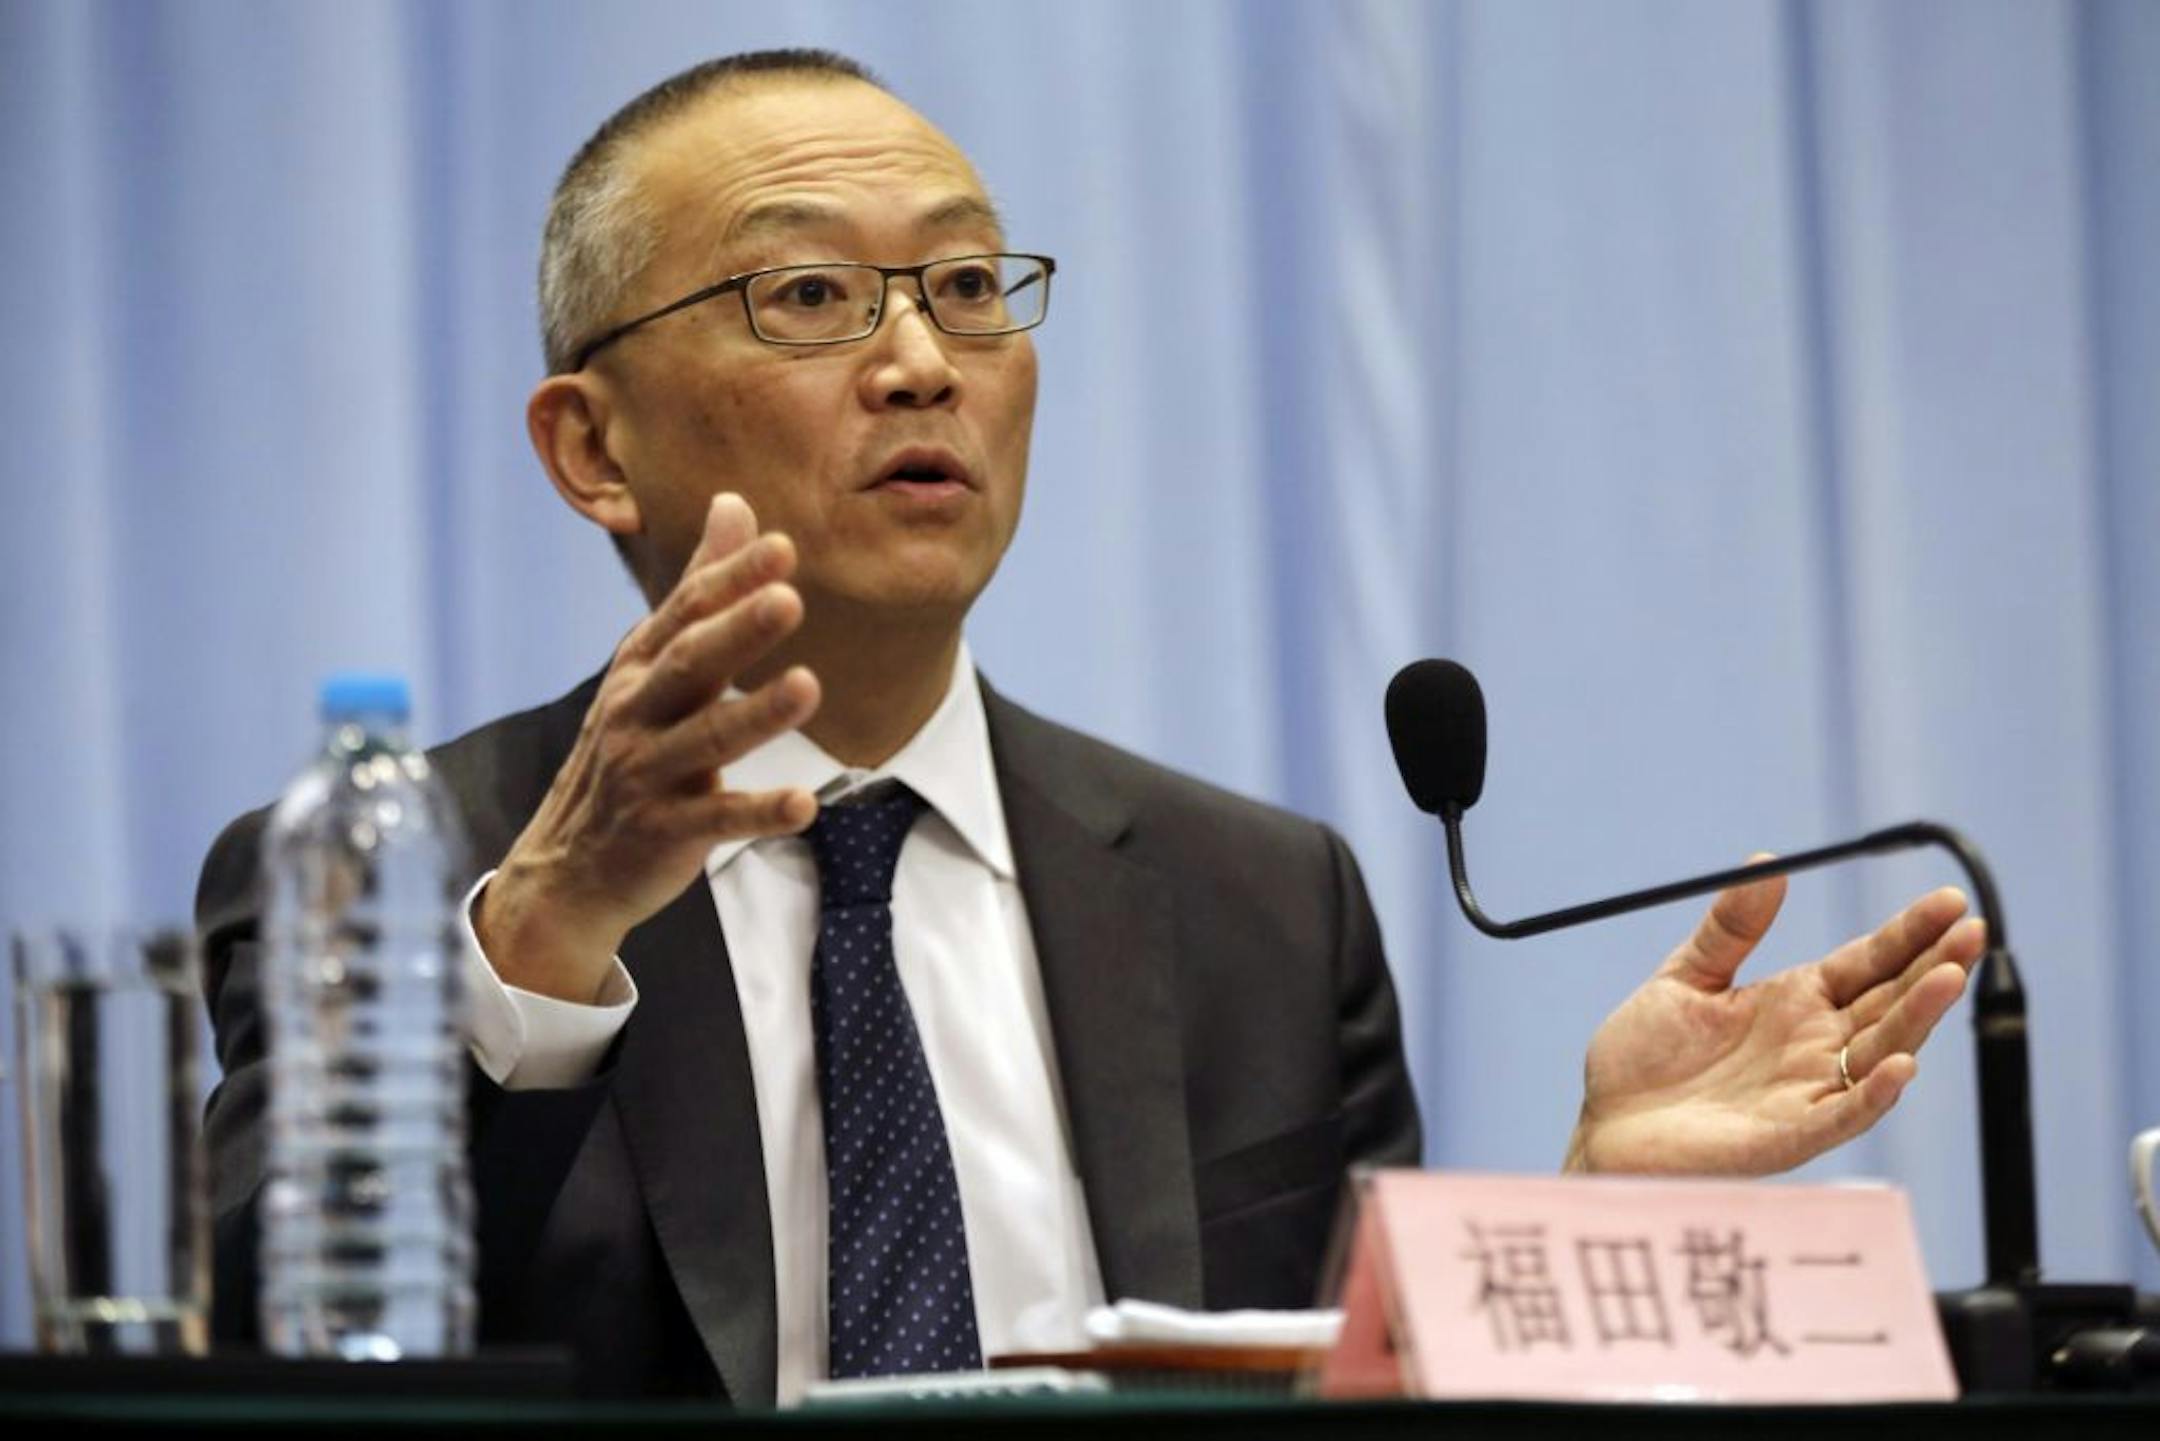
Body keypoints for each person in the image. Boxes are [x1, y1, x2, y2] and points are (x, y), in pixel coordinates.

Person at [197, 48, 1985, 1404]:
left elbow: (1357, 1399)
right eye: (807, 295)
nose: (920, 360)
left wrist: (1597, 1210)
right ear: (593, 446)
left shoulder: (1261, 902)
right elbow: (286, 1351)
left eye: (968, 286)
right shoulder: (404, 871)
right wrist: (545, 940)